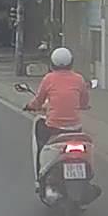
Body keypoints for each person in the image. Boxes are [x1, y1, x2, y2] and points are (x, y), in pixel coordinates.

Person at [24, 47, 89, 177]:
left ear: (52, 63)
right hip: (75, 129)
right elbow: (84, 102)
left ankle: (39, 174)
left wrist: (29, 106)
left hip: (54, 128)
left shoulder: (48, 79)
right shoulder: (79, 79)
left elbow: (38, 101)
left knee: (40, 136)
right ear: (71, 62)